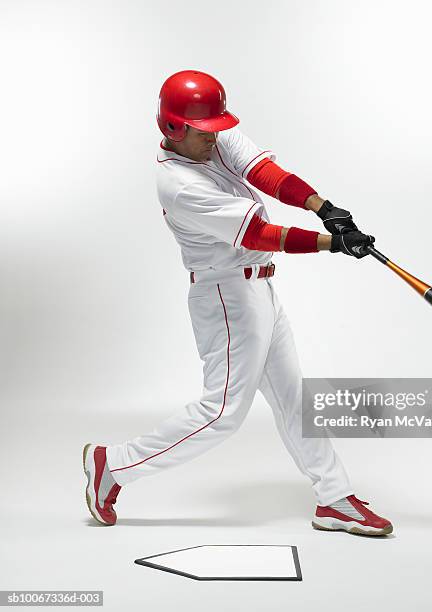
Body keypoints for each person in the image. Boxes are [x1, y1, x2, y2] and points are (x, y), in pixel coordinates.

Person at [83, 70, 393, 537]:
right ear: (174, 129)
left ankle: (333, 498)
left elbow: (263, 172)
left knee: (293, 399)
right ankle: (113, 465)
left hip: (260, 289)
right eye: (204, 131)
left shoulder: (210, 134)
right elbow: (257, 233)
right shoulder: (177, 184)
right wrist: (333, 243)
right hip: (226, 296)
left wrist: (323, 207)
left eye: (216, 127)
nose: (215, 137)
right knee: (222, 413)